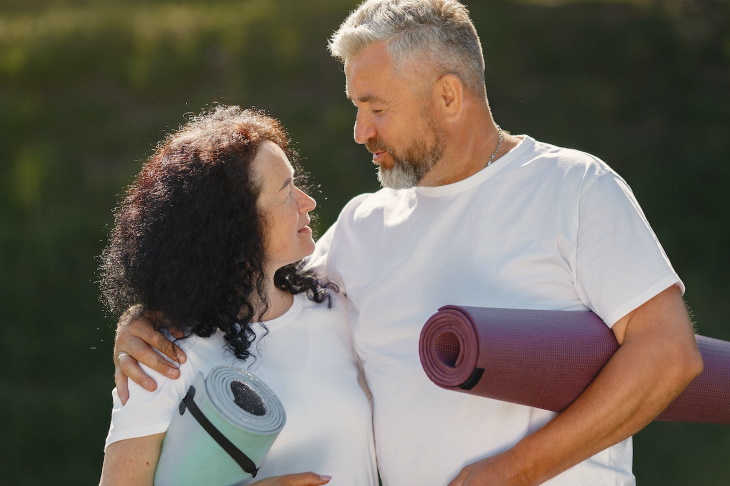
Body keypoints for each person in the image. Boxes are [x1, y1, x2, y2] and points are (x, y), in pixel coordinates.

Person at [112, 1, 704, 485]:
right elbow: (242, 273)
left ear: (448, 96)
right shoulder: (361, 227)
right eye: (356, 107)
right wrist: (148, 316)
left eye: (376, 107)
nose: (359, 130)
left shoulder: (574, 188)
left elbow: (668, 355)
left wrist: (510, 473)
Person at [98, 105, 377, 486]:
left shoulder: (335, 301)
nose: (307, 201)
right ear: (232, 226)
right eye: (285, 192)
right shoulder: (163, 357)